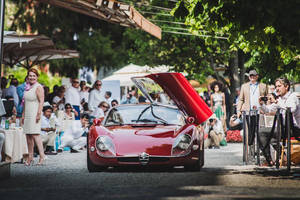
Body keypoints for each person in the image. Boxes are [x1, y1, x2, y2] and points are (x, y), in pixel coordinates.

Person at [259, 77, 300, 166]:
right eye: (276, 86)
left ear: (286, 87)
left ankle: (276, 160)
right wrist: (261, 104)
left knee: (262, 132)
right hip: (284, 128)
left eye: (279, 86)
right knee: (270, 137)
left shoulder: (292, 97)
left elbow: (290, 110)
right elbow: (268, 110)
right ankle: (276, 159)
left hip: (295, 128)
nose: (277, 88)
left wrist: (277, 101)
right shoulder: (280, 99)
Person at [237, 69, 268, 145]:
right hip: (249, 111)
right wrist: (238, 110)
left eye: (254, 75)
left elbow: (267, 98)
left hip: (260, 111)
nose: (252, 77)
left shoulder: (263, 86)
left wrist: (266, 109)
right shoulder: (244, 86)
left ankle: (260, 146)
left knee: (260, 130)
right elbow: (241, 99)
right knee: (251, 129)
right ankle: (250, 144)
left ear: (257, 76)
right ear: (249, 77)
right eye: (251, 76)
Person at [22, 68, 46, 166]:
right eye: (30, 75)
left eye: (33, 76)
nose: (31, 77)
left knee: (35, 134)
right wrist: (23, 115)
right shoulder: (27, 87)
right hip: (27, 114)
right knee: (28, 135)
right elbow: (25, 103)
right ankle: (30, 157)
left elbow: (41, 101)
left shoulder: (38, 87)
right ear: (27, 77)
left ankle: (42, 156)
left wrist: (39, 114)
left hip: (35, 113)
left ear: (37, 77)